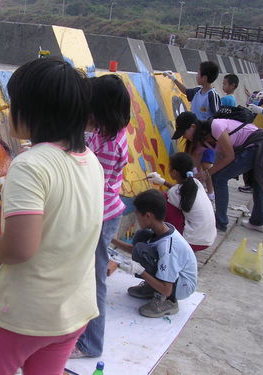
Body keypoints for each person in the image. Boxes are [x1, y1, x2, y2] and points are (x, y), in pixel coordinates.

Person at [0, 58, 104, 375]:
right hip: (73, 311)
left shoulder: (30, 165)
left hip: (25, 313)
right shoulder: (91, 162)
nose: (9, 110)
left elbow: (20, 247)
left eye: (13, 102)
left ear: (33, 111)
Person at [71, 74, 130, 359]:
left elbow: (89, 182)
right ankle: (81, 334)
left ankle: (90, 344)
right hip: (106, 212)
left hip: (100, 217)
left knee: (95, 281)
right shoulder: (112, 131)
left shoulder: (109, 145)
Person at [172, 111, 263, 233]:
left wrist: (207, 174)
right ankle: (258, 221)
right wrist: (192, 178)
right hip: (252, 145)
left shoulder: (215, 127)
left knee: (219, 178)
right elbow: (195, 162)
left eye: (184, 133)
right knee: (256, 182)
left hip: (258, 143)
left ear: (193, 126)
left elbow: (229, 156)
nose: (184, 137)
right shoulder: (201, 140)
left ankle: (221, 222)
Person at [111, 189, 197, 318]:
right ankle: (153, 287)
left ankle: (169, 301)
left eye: (137, 214)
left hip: (182, 286)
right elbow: (134, 250)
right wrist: (111, 240)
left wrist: (140, 271)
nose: (136, 218)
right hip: (175, 278)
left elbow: (167, 289)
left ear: (148, 216)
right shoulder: (161, 229)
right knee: (141, 239)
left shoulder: (168, 247)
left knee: (141, 249)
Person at [164, 61, 221, 201]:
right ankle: (196, 188)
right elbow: (186, 92)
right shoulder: (197, 91)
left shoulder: (212, 95)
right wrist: (173, 79)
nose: (196, 75)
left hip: (205, 136)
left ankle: (211, 194)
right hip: (192, 134)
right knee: (193, 162)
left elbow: (217, 115)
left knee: (206, 164)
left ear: (205, 78)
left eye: (199, 73)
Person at [147, 152, 216, 251]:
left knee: (159, 200)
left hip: (192, 242)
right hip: (207, 239)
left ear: (174, 172)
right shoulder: (196, 183)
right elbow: (178, 192)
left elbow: (175, 192)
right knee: (166, 197)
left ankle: (162, 238)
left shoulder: (175, 192)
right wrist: (162, 181)